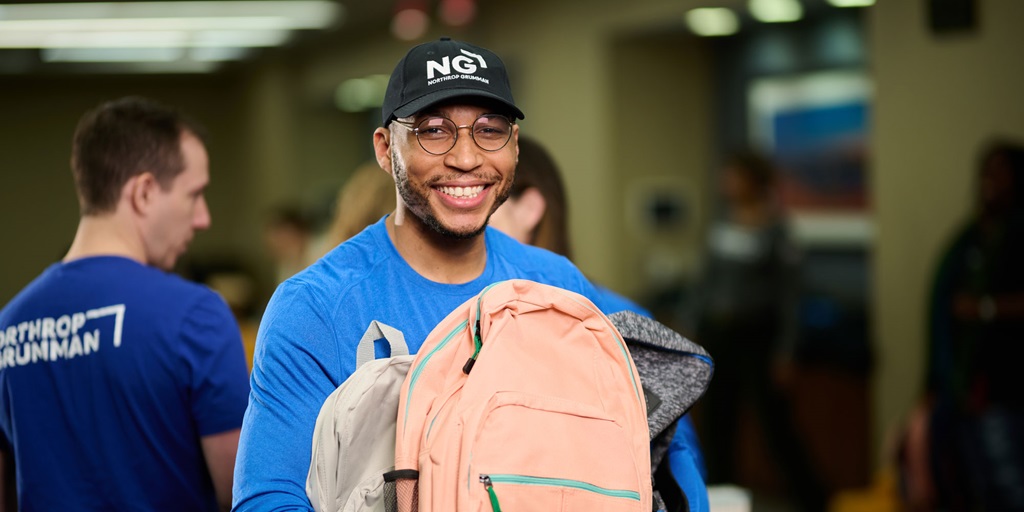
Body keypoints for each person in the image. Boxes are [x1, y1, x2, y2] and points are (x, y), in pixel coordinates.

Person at [232, 37, 635, 510]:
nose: (466, 159)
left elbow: (594, 464)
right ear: (385, 149)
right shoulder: (316, 307)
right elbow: (269, 498)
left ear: (516, 147)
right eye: (434, 131)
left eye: (489, 130)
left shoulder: (555, 288)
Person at [0, 96, 251, 511]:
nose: (203, 217)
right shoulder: (195, 315)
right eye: (194, 195)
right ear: (145, 193)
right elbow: (242, 495)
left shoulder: (9, 326)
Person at [489, 135, 710, 511]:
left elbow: (680, 468)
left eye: (486, 199)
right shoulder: (479, 321)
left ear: (528, 209)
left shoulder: (612, 320)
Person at [684, 151, 826, 512]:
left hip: (757, 337)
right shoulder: (722, 223)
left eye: (734, 175)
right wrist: (689, 325)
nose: (726, 182)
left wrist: (787, 351)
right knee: (718, 425)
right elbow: (705, 281)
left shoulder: (777, 228)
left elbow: (791, 296)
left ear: (753, 180)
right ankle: (719, 498)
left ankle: (815, 499)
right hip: (719, 334)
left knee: (775, 427)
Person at [901, 139, 1024, 511]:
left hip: (1007, 388)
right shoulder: (970, 238)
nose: (990, 180)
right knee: (970, 485)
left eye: (1001, 172)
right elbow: (942, 311)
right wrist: (933, 385)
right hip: (961, 390)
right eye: (986, 171)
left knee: (1008, 486)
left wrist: (986, 308)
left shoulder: (1016, 236)